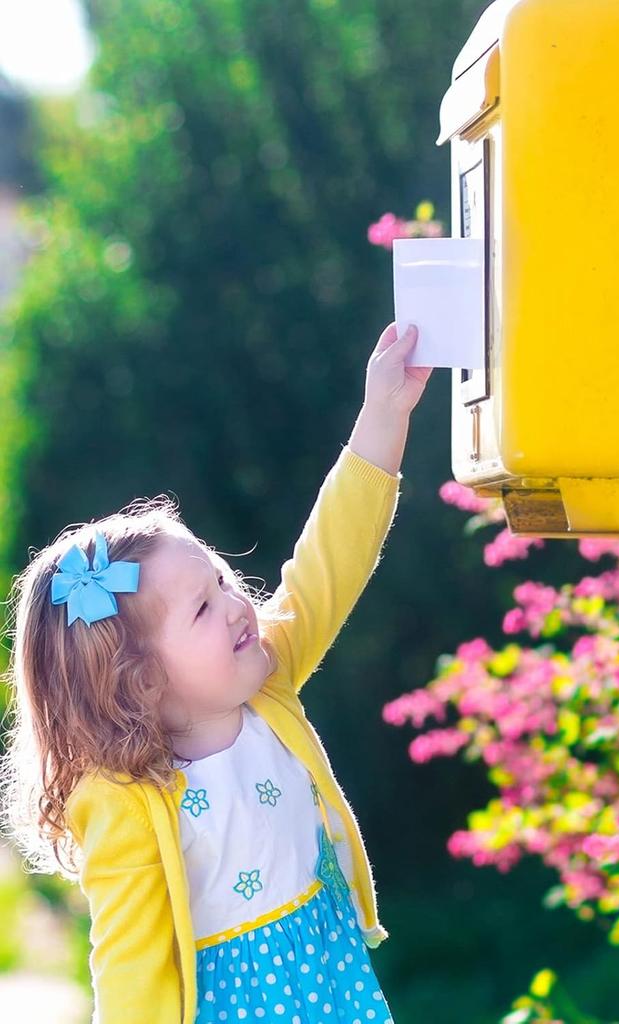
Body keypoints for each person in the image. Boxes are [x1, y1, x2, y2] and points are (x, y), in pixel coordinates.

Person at [0, 322, 430, 1024]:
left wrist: (383, 415)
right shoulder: (126, 799)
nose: (237, 605)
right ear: (139, 682)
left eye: (225, 581)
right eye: (203, 608)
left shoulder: (264, 679)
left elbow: (330, 562)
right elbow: (129, 972)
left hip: (335, 988)